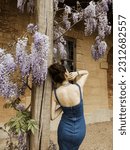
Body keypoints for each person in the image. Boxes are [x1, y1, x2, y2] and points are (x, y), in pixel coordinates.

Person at [48, 63, 89, 150]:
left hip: (64, 131)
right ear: (66, 74)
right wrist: (76, 73)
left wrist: (63, 107)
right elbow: (86, 73)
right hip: (80, 130)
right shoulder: (78, 87)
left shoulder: (55, 94)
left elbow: (52, 116)